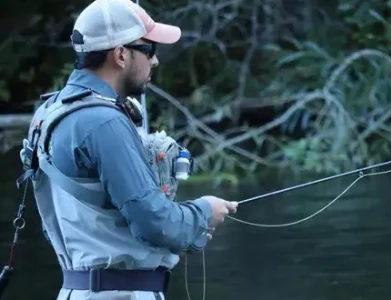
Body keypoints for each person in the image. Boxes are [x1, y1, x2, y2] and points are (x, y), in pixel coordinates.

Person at [19, 0, 238, 299]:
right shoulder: (104, 122)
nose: (155, 61)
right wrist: (203, 212)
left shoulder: (50, 111)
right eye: (149, 50)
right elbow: (155, 224)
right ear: (121, 54)